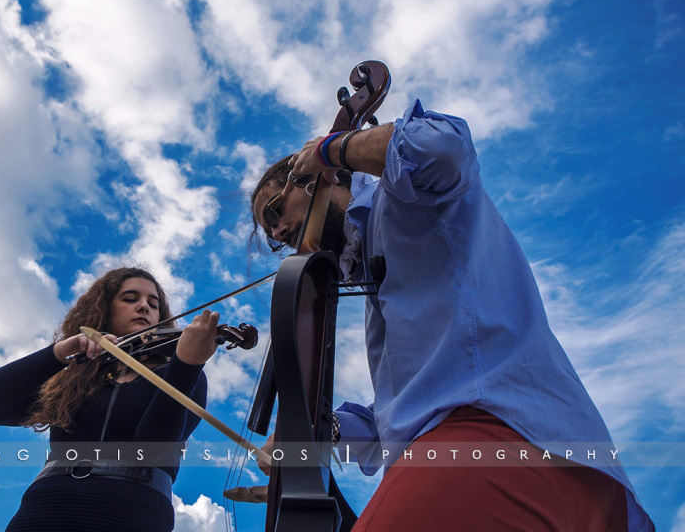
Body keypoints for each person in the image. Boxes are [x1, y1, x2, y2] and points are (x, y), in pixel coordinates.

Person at [250, 101, 654, 531]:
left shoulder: (402, 197)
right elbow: (406, 411)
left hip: (499, 435)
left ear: (310, 178)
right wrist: (317, 430)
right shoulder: (374, 280)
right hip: (555, 472)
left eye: (274, 211)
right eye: (270, 235)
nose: (277, 232)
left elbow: (443, 147)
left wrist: (331, 148)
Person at [0, 266, 220, 532]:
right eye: (130, 299)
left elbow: (151, 449)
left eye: (153, 304)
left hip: (135, 514)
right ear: (104, 309)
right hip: (45, 509)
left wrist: (187, 366)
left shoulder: (179, 374)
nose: (144, 307)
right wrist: (58, 354)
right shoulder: (71, 383)